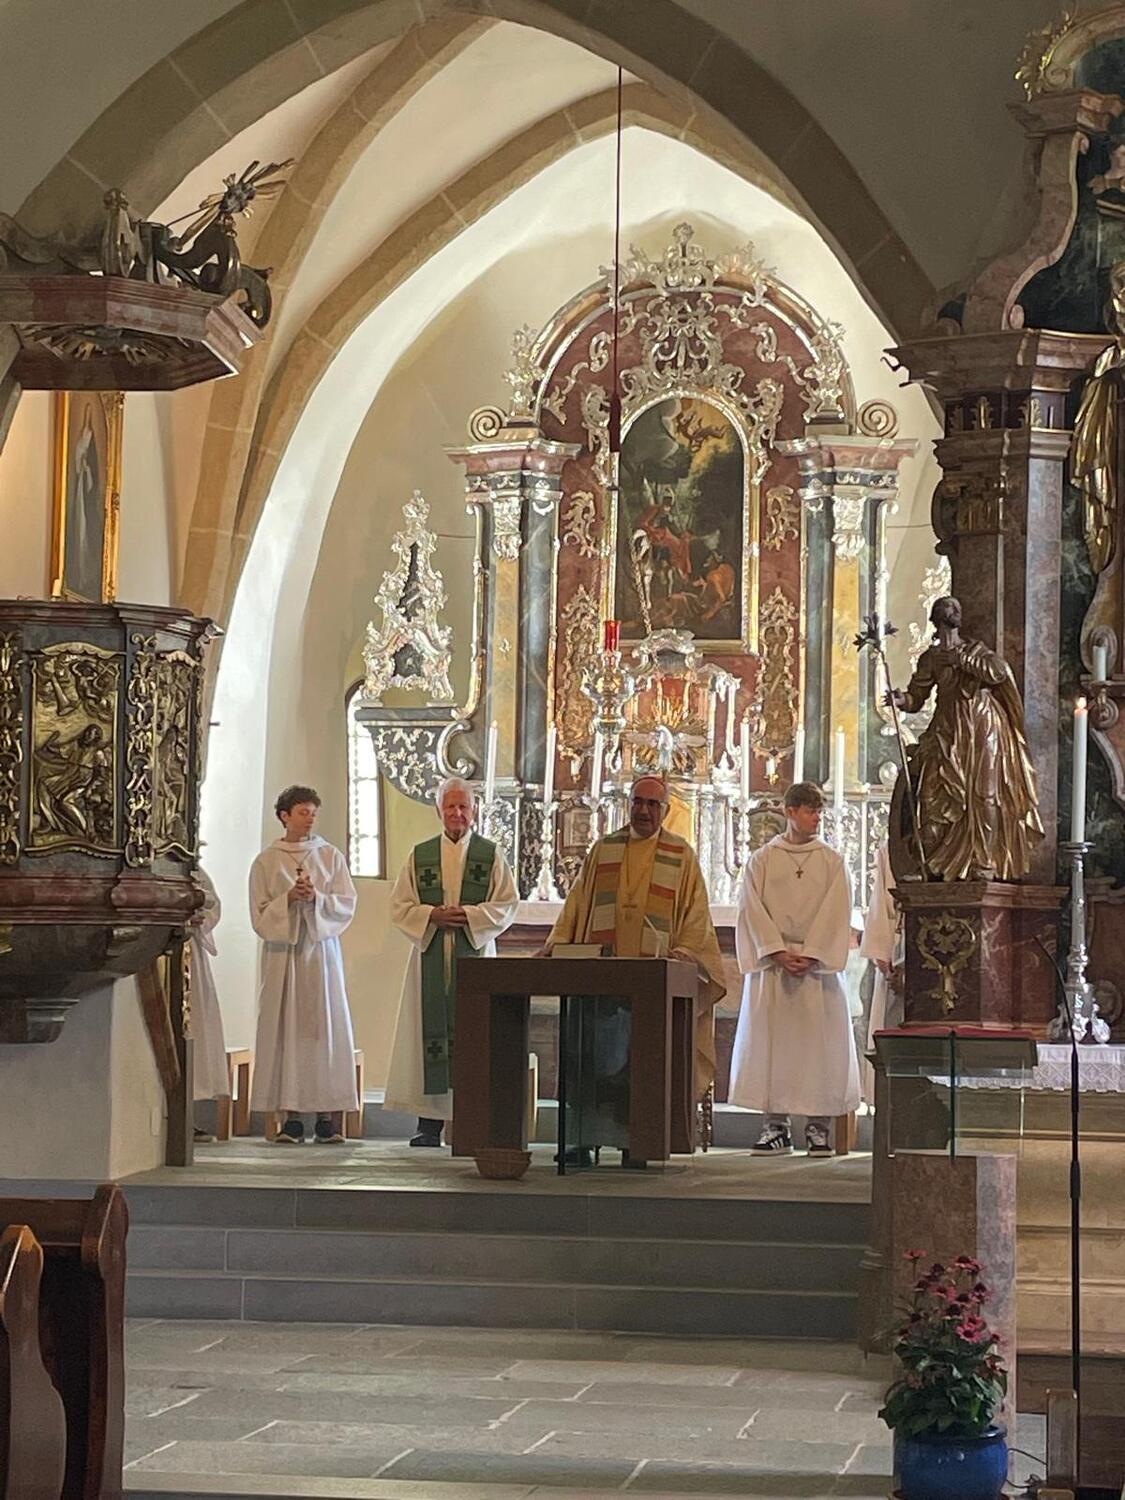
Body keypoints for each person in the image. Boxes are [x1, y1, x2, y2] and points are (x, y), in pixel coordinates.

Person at [545, 774, 725, 1165]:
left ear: (666, 810)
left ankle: (636, 1143)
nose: (643, 810)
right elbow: (577, 903)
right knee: (590, 1059)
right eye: (638, 802)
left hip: (652, 986)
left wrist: (685, 952)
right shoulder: (604, 849)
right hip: (601, 979)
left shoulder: (681, 856)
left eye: (652, 804)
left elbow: (696, 918)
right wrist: (557, 942)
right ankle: (583, 1140)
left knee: (640, 1066)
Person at [385, 776, 519, 1147]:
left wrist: (470, 917)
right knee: (427, 1035)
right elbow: (400, 905)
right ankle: (428, 1125)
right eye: (450, 806)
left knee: (472, 1034)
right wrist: (431, 915)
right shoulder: (421, 855)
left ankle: (470, 1124)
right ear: (438, 811)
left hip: (474, 955)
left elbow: (507, 903)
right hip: (430, 954)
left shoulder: (491, 855)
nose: (457, 813)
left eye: (463, 806)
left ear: (474, 811)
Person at [729, 781, 860, 1156]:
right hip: (776, 966)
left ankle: (818, 1128)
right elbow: (751, 908)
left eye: (819, 810)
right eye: (809, 810)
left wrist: (814, 952)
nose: (817, 817)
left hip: (816, 971)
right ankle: (775, 1126)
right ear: (790, 812)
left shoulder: (832, 861)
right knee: (775, 1049)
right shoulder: (763, 860)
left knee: (818, 1051)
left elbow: (838, 908)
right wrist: (776, 951)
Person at [885, 595, 1042, 882]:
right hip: (946, 731)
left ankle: (984, 861)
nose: (952, 615)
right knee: (932, 797)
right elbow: (917, 696)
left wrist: (962, 660)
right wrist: (901, 700)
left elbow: (999, 672)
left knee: (984, 796)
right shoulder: (931, 658)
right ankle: (931, 863)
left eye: (955, 611)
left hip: (982, 730)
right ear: (936, 620)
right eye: (947, 611)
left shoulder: (976, 651)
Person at [249, 785, 358, 1145]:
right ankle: (291, 1119)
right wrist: (288, 899)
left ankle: (326, 1119)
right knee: (286, 1033)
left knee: (322, 1031)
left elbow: (346, 903)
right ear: (285, 816)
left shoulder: (329, 856)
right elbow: (259, 915)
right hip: (283, 958)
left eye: (313, 812)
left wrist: (317, 899)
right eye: (302, 812)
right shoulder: (266, 861)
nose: (310, 818)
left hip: (320, 956)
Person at [189, 864, 230, 1143]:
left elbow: (211, 903)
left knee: (194, 1030)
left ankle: (186, 1118)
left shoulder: (190, 867)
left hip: (188, 952)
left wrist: (196, 916)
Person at [859, 841, 902, 1105]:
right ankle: (887, 1103)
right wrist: (885, 960)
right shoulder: (893, 849)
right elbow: (880, 906)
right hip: (894, 954)